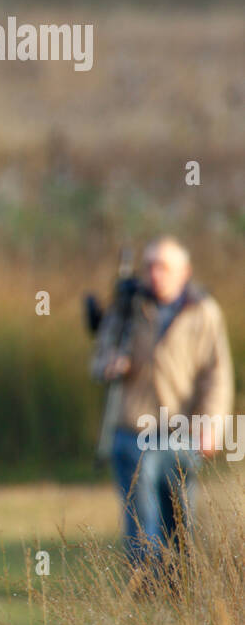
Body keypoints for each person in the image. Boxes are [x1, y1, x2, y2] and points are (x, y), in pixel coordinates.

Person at [91, 236, 234, 584]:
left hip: (180, 433)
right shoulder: (128, 308)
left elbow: (217, 375)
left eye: (164, 267)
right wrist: (112, 365)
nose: (155, 274)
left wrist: (212, 426)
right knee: (143, 520)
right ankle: (147, 589)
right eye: (150, 266)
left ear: (184, 272)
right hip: (133, 433)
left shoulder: (203, 311)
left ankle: (180, 592)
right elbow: (99, 360)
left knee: (181, 520)